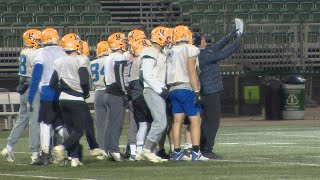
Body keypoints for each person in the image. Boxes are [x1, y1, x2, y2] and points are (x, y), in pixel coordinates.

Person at [197, 30, 242, 159]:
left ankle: (201, 147)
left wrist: (230, 36)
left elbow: (218, 47)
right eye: (203, 39)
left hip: (204, 92)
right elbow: (224, 53)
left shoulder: (202, 53)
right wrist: (239, 41)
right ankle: (207, 149)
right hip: (209, 93)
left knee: (205, 122)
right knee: (212, 122)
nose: (205, 40)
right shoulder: (203, 55)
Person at [167, 25, 208, 161]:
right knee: (195, 120)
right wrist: (197, 91)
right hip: (186, 87)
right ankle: (196, 152)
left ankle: (177, 152)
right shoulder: (190, 49)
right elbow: (191, 71)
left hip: (173, 89)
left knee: (177, 121)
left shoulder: (171, 50)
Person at [28, 28, 68, 165]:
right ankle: (72, 147)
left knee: (45, 123)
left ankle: (45, 154)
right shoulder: (64, 52)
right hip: (64, 91)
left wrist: (30, 96)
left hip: (48, 91)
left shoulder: (41, 53)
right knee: (59, 124)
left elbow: (36, 76)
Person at [1, 29, 41, 164]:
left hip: (23, 88)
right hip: (32, 89)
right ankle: (35, 153)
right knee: (34, 121)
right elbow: (36, 73)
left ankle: (9, 146)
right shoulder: (34, 53)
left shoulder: (24, 52)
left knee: (22, 119)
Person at [50, 38, 90, 167]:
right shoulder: (81, 59)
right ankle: (62, 147)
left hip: (63, 99)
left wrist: (63, 90)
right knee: (79, 130)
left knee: (70, 129)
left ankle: (74, 157)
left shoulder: (58, 61)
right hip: (77, 98)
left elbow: (52, 83)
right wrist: (85, 93)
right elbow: (84, 81)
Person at [138, 26, 169, 163]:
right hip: (152, 90)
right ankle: (147, 150)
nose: (169, 39)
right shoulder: (150, 51)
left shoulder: (160, 52)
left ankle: (147, 151)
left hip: (156, 90)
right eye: (167, 36)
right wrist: (160, 89)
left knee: (159, 121)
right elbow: (146, 75)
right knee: (161, 122)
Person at [104, 32, 129, 162]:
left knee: (110, 123)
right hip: (116, 93)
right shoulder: (119, 56)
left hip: (108, 91)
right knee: (117, 124)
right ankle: (114, 150)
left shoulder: (109, 57)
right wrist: (124, 92)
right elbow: (119, 76)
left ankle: (108, 149)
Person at [127, 38, 153, 161]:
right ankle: (146, 151)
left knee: (140, 124)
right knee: (147, 123)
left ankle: (137, 152)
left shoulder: (131, 61)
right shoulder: (143, 60)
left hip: (133, 95)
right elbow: (144, 77)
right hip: (142, 93)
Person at [90, 41, 111, 158]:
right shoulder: (110, 60)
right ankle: (110, 148)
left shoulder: (92, 63)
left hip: (97, 92)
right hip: (108, 91)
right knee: (111, 122)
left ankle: (101, 150)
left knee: (100, 124)